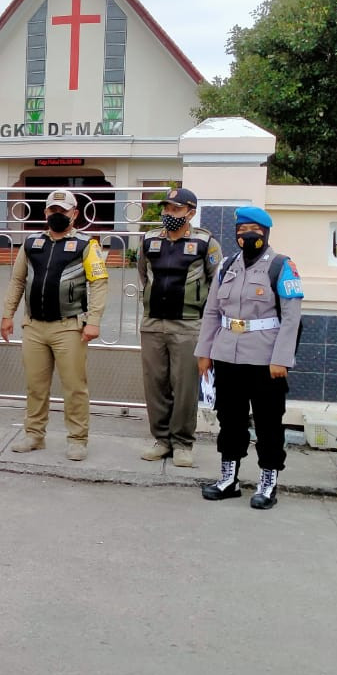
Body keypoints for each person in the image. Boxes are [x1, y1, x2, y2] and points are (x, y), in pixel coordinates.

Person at [195, 206, 302, 509]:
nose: (247, 235)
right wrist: (204, 352)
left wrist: (281, 359)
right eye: (241, 230)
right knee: (229, 418)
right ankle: (229, 478)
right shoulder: (227, 265)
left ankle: (268, 482)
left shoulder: (282, 266)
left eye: (253, 229)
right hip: (227, 355)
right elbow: (212, 312)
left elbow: (292, 317)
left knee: (268, 422)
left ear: (266, 232)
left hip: (266, 359)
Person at [0, 187, 110, 461]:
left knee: (74, 386)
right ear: (45, 212)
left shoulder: (87, 245)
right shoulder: (31, 243)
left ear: (74, 213)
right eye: (52, 210)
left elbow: (99, 283)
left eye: (63, 210)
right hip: (34, 326)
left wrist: (93, 321)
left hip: (69, 327)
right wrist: (7, 314)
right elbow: (16, 280)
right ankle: (34, 435)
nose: (57, 214)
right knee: (35, 386)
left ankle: (77, 439)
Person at [136, 187, 223, 467]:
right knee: (155, 384)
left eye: (175, 209)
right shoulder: (149, 240)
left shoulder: (204, 242)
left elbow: (216, 283)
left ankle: (183, 443)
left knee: (184, 386)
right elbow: (143, 275)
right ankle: (161, 440)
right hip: (153, 324)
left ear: (190, 213)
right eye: (166, 209)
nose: (168, 214)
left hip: (187, 325)